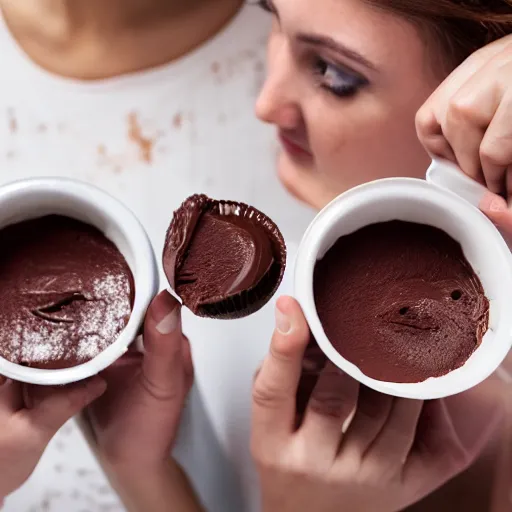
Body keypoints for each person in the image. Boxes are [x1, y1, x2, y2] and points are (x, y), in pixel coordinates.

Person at [0, 0, 512, 511]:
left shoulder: (461, 407)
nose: (264, 104)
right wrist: (138, 468)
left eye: (333, 73)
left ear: (475, 111)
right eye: (272, 18)